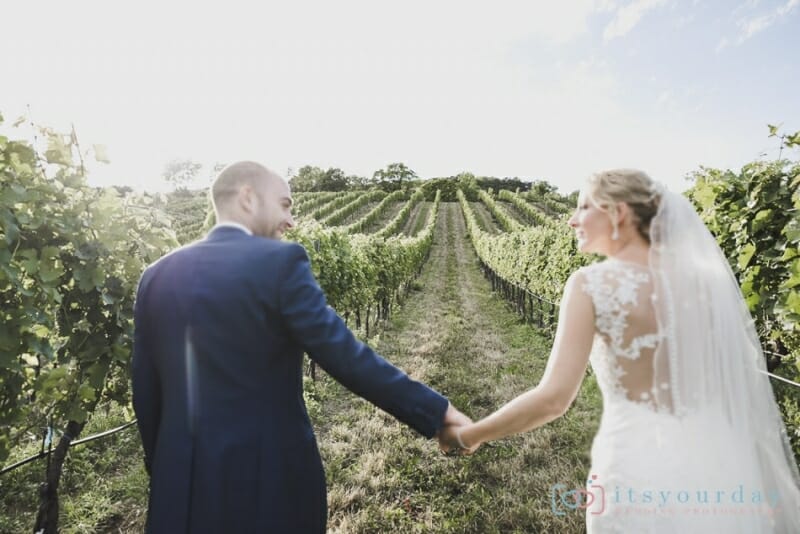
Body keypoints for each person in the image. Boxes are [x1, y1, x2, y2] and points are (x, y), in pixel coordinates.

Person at [440, 169, 800, 532]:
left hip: (635, 468)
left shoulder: (590, 285)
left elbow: (553, 400)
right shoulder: (706, 285)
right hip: (720, 465)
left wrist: (472, 434)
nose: (571, 220)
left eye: (583, 207)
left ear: (619, 213)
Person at [132, 161, 469, 533]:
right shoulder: (279, 261)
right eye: (285, 204)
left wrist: (166, 467)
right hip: (266, 479)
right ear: (247, 198)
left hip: (179, 485)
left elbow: (146, 391)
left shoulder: (156, 275)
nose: (291, 221)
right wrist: (436, 413)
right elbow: (345, 355)